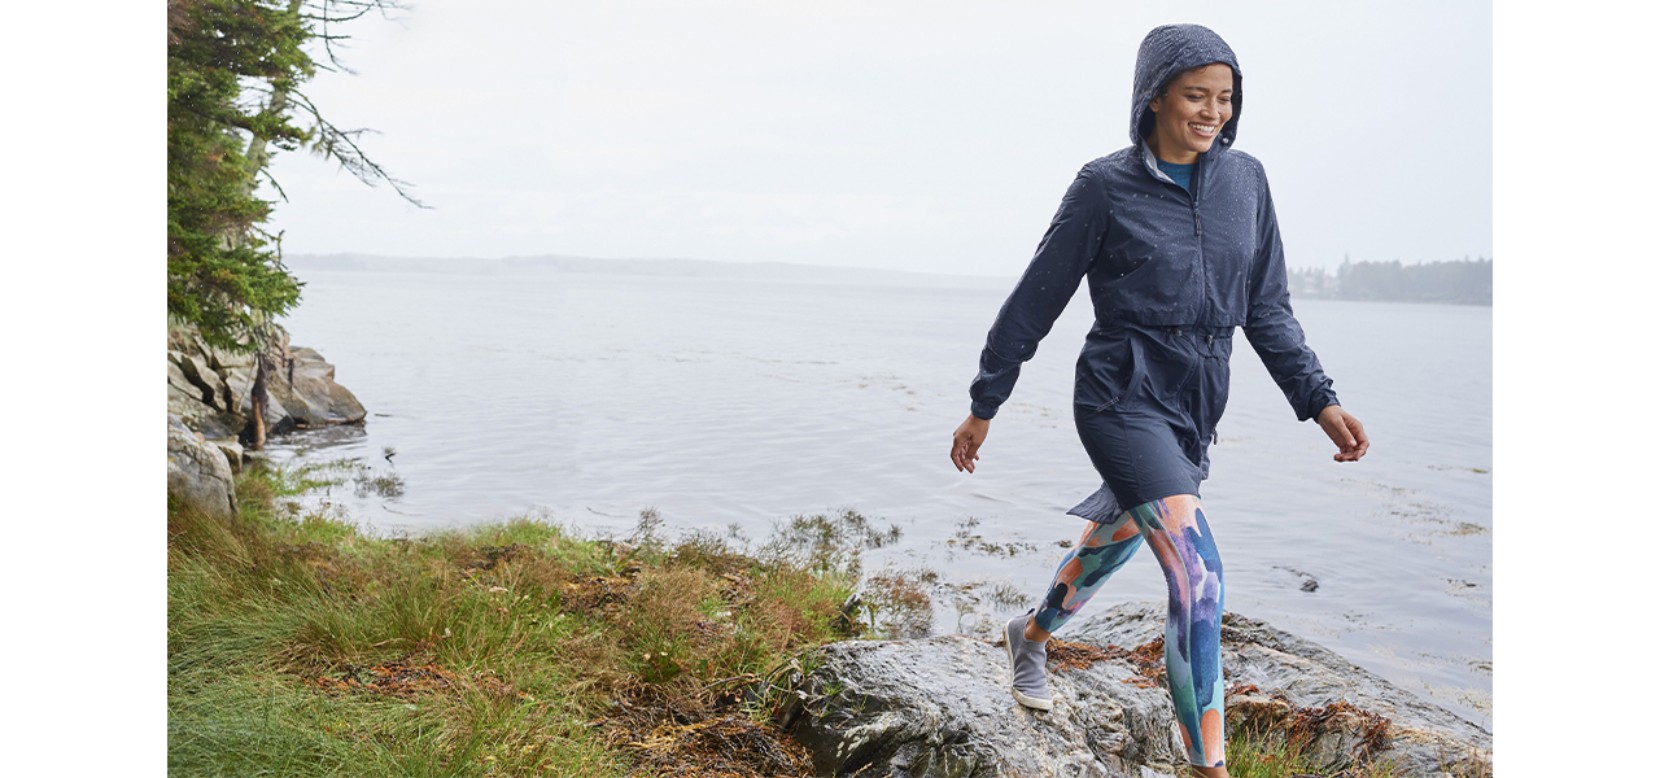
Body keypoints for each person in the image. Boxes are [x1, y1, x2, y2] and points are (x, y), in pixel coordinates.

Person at [948, 23, 1369, 777]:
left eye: (1225, 98)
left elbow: (1266, 308)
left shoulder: (1248, 183)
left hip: (1196, 398)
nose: (1213, 112)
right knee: (1198, 573)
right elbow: (1034, 301)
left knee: (1121, 536)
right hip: (1119, 392)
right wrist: (987, 402)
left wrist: (1319, 400)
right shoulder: (1104, 186)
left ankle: (1032, 636)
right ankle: (1207, 767)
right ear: (1153, 99)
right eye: (1195, 96)